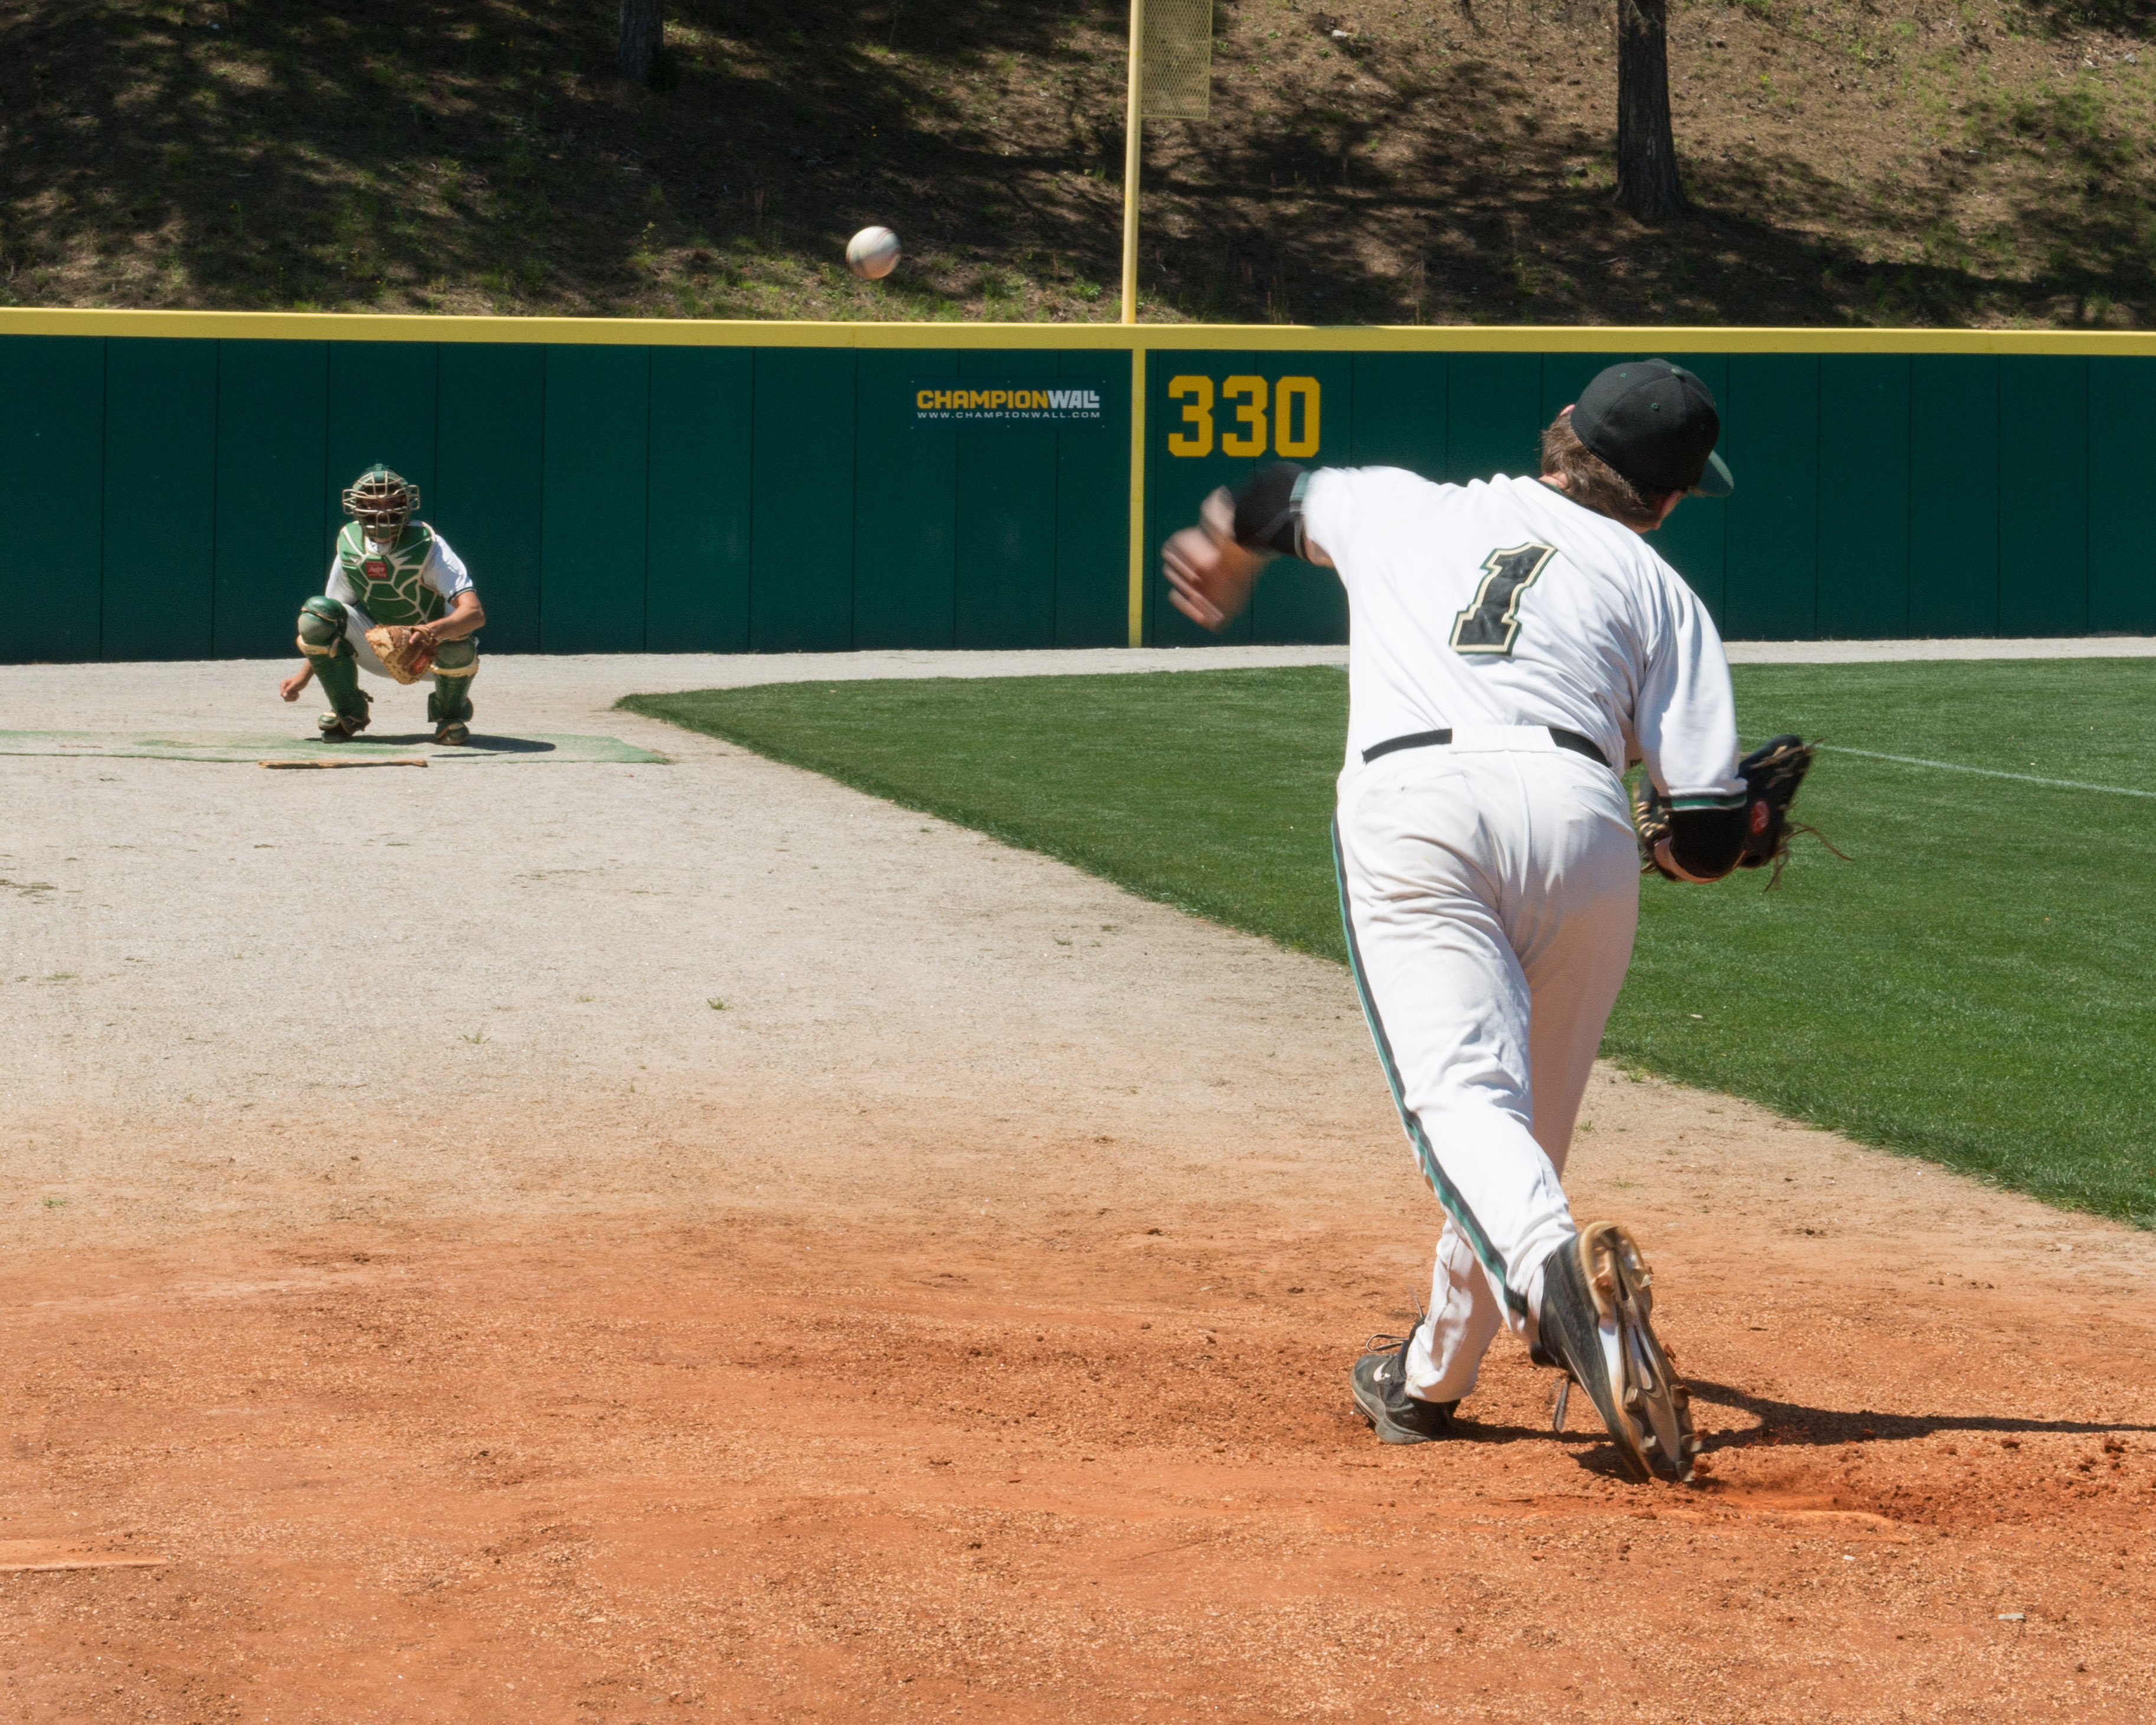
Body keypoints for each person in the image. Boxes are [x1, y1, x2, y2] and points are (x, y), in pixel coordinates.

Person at [1161, 360, 1754, 1483]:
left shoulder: (1407, 505)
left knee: (1465, 1108)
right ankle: (1431, 1379)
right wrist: (1713, 840)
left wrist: (1224, 553)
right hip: (1584, 828)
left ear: (1560, 435)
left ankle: (1558, 1288)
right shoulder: (1661, 589)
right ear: (1666, 498)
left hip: (1419, 809)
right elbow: (1707, 837)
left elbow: (1264, 495)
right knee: (1518, 1139)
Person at [279, 466, 485, 744]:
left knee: (459, 644)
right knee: (317, 613)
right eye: (371, 504)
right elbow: (328, 620)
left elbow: (474, 613)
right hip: (378, 647)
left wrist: (430, 632)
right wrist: (303, 677)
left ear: (406, 504)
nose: (381, 512)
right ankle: (348, 711)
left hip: (431, 654)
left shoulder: (430, 546)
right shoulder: (351, 545)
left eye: (390, 502)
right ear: (356, 507)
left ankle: (449, 714)